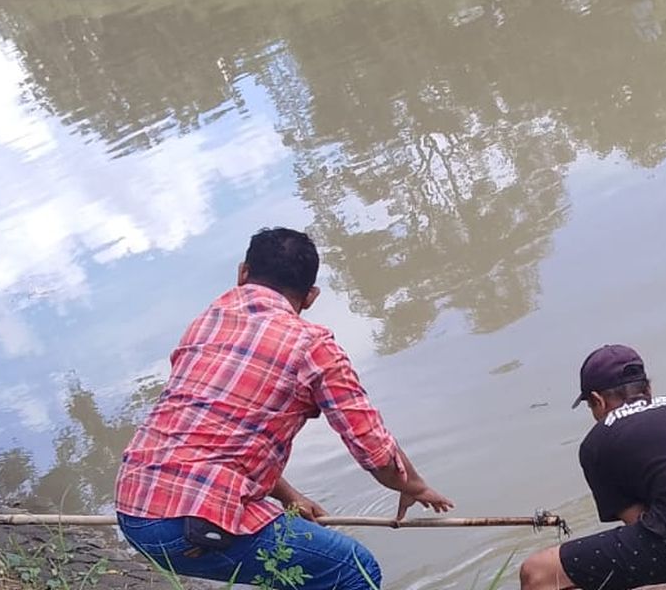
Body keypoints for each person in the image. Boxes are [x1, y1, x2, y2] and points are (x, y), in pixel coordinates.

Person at [114, 227, 454, 590]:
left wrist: (291, 499)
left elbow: (222, 436)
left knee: (304, 566)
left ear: (243, 272)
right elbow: (374, 449)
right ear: (310, 297)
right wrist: (413, 486)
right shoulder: (313, 348)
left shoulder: (208, 322)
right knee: (352, 569)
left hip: (133, 507)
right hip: (189, 527)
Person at [519, 345, 666, 590]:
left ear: (598, 401)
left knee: (537, 571)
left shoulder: (598, 442)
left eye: (591, 407)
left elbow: (642, 526)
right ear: (648, 389)